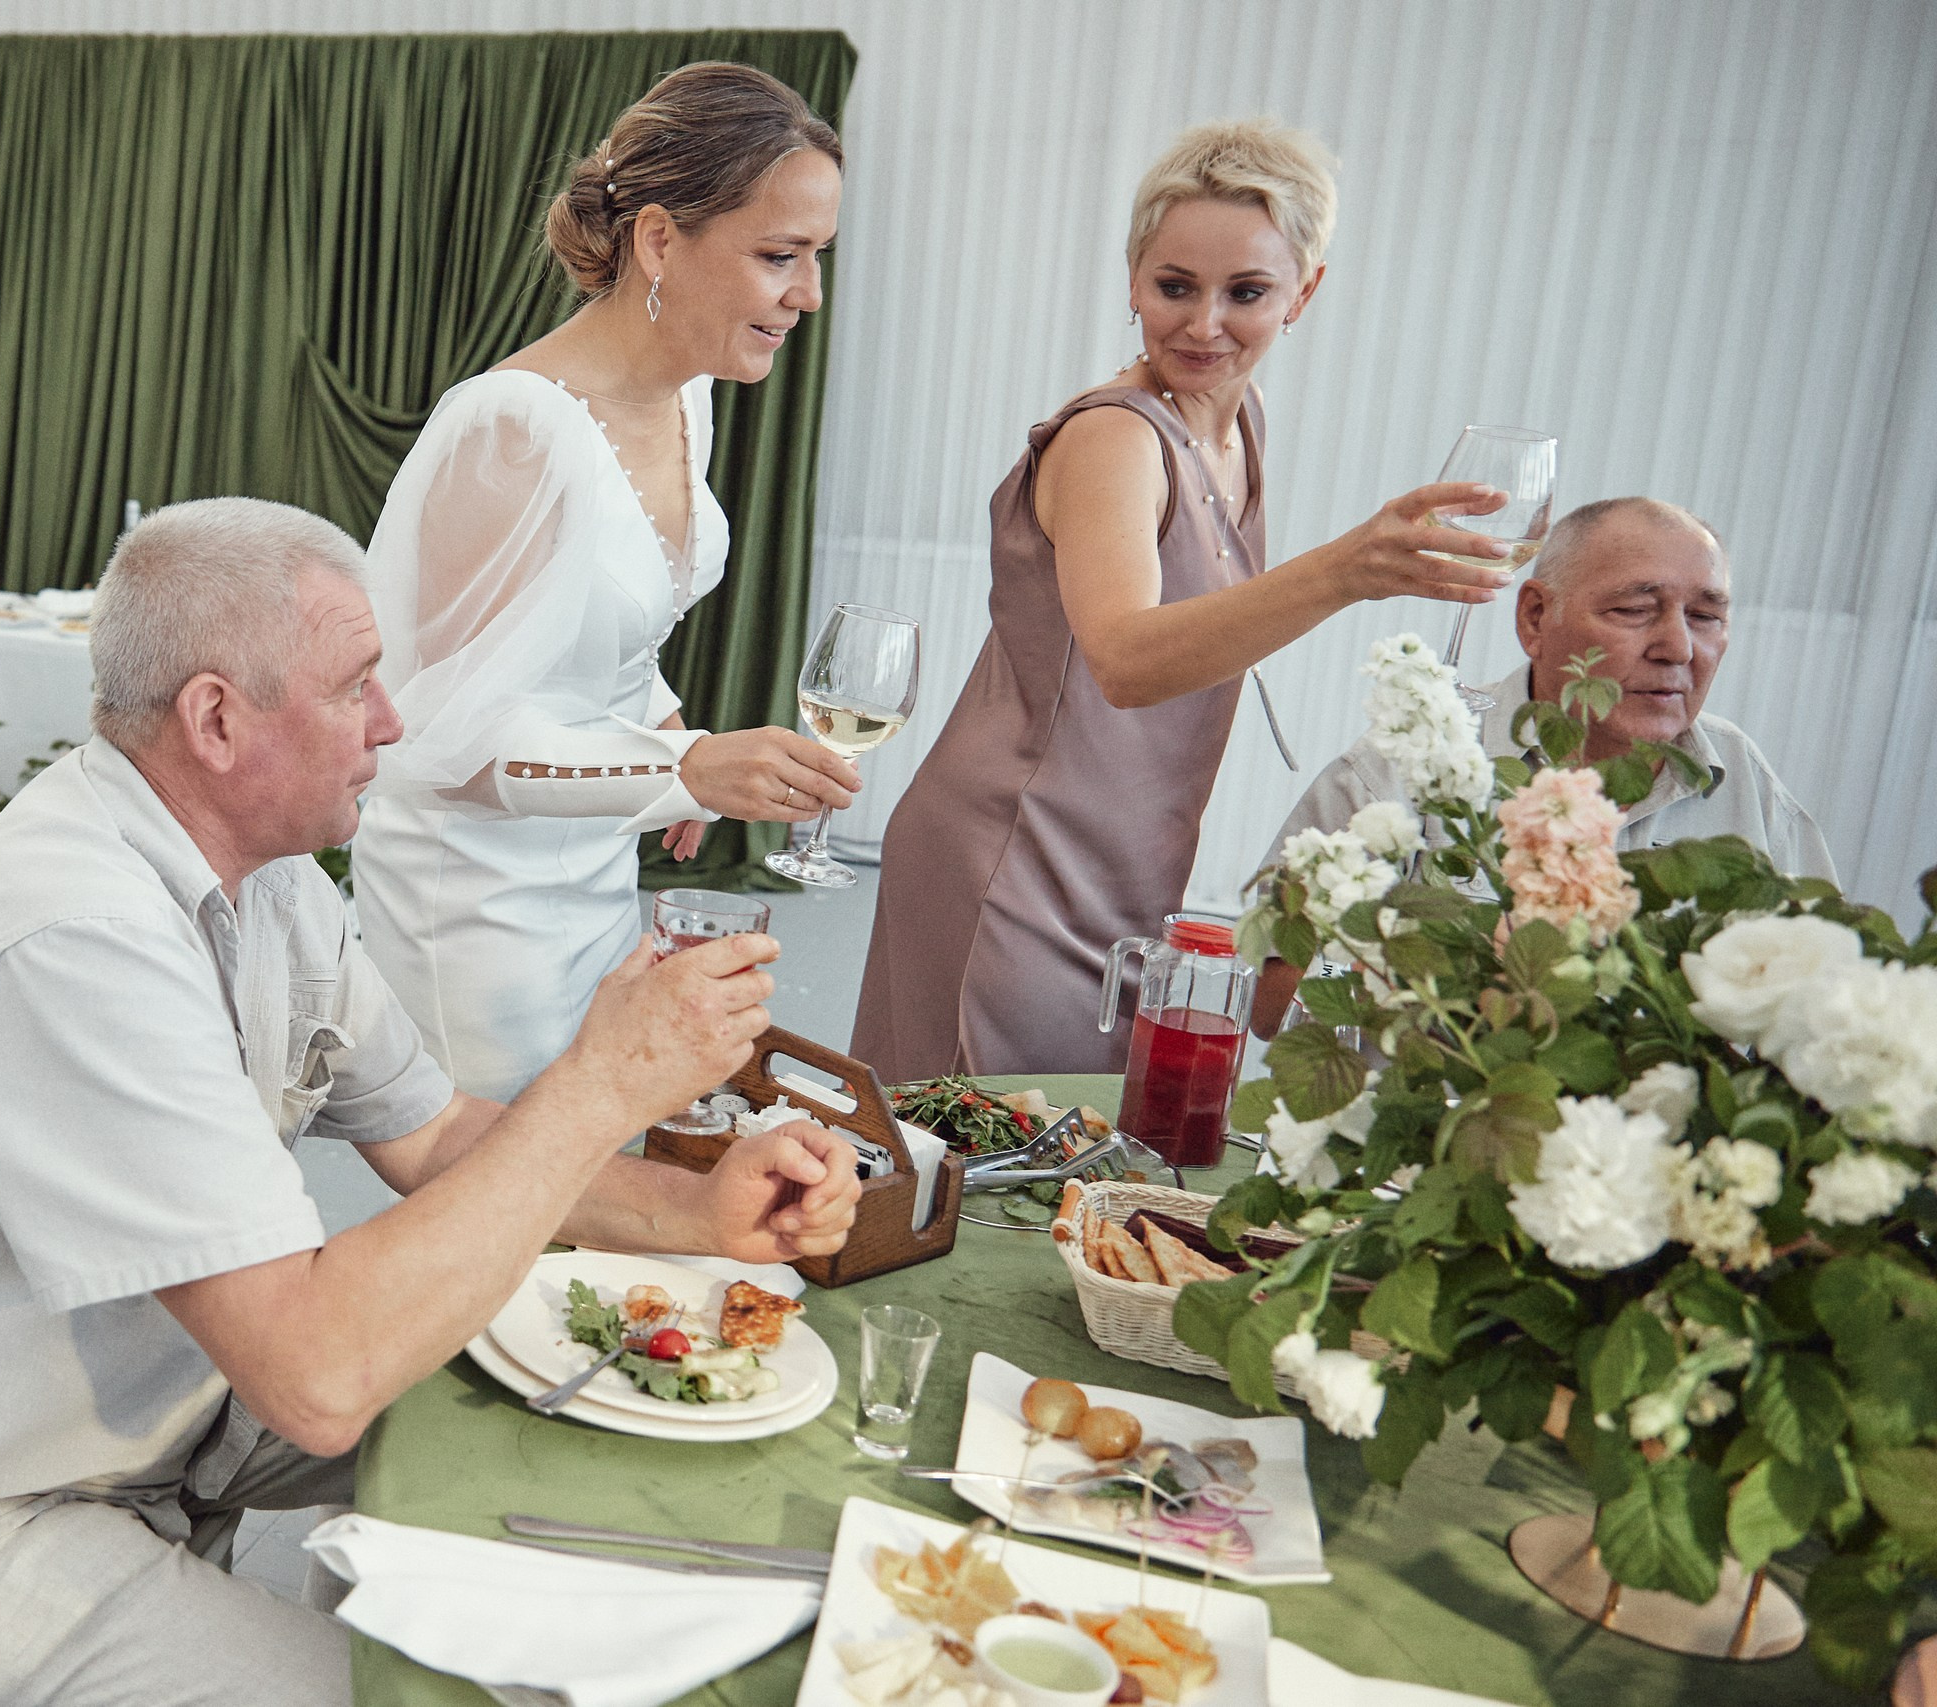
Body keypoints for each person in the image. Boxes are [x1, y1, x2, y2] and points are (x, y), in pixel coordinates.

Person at [0, 498, 861, 1707]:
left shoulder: (269, 880)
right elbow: (315, 1376)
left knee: (577, 1440)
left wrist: (699, 1213)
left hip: (160, 1416)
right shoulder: (72, 937)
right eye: (357, 686)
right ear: (216, 719)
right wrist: (601, 1083)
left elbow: (434, 1136)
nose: (392, 724)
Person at [851, 117, 1523, 1080]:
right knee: (971, 1159)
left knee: (1066, 1160)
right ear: (1132, 280)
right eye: (1174, 287)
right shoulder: (1114, 442)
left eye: (1246, 292)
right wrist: (1346, 570)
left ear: (1306, 292)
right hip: (1010, 857)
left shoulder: (1237, 421)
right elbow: (1125, 658)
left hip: (1127, 867)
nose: (1205, 325)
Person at [353, 63, 856, 1101]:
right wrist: (681, 772)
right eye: (780, 256)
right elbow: (438, 740)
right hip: (479, 905)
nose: (807, 295)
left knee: (594, 1183)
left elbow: (593, 626)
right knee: (507, 1203)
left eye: (815, 259)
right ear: (660, 240)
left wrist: (664, 723)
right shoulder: (511, 429)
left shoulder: (689, 400)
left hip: (591, 868)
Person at [1249, 497, 1835, 1028]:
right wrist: (1458, 984)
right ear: (1534, 618)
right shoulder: (1415, 761)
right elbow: (1270, 1002)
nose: (1678, 648)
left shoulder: (1743, 781)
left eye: (1705, 618)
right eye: (1635, 609)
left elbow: (1828, 1003)